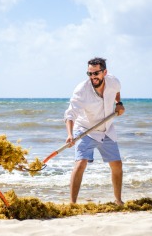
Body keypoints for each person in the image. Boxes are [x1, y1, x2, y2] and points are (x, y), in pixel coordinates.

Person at [64, 57, 125, 205]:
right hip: (85, 129)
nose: (93, 77)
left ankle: (118, 201)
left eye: (96, 73)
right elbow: (70, 114)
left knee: (117, 164)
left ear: (105, 72)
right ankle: (73, 204)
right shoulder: (81, 90)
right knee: (80, 163)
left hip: (106, 129)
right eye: (89, 73)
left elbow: (117, 92)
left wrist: (119, 103)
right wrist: (70, 134)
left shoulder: (113, 81)